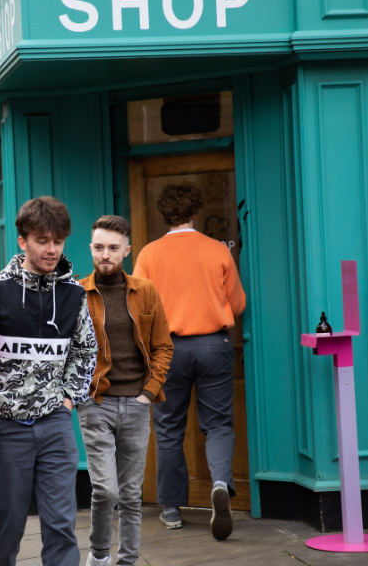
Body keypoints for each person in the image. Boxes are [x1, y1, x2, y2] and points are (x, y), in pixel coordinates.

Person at [0, 196, 97, 566]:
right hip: (5, 428)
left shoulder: (74, 294)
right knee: (7, 525)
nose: (52, 249)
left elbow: (85, 351)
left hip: (55, 424)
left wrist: (69, 401)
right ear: (22, 241)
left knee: (61, 524)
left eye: (58, 241)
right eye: (42, 240)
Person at [134, 183, 246, 540]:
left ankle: (170, 508)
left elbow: (138, 308)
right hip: (214, 346)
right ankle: (220, 484)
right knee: (218, 425)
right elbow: (238, 304)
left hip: (168, 351)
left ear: (163, 215)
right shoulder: (217, 251)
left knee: (168, 428)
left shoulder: (149, 254)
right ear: (195, 212)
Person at [78, 215, 173, 566]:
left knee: (132, 495)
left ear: (127, 250)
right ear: (91, 248)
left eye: (113, 248)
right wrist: (81, 394)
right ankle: (100, 555)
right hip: (96, 402)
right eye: (99, 247)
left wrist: (148, 393)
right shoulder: (77, 292)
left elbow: (164, 346)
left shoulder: (145, 290)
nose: (106, 254)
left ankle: (128, 561)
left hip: (136, 403)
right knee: (105, 490)